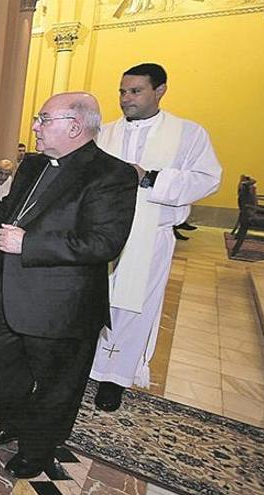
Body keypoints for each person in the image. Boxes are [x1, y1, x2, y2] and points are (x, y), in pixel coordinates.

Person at [0, 92, 137, 478]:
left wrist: (27, 243)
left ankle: (38, 448)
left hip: (63, 305)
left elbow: (104, 243)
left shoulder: (111, 174)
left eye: (42, 119)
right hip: (12, 294)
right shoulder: (32, 165)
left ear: (74, 125)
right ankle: (13, 423)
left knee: (56, 385)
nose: (34, 126)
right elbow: (8, 212)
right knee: (7, 374)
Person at [90, 63, 222, 411]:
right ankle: (86, 368)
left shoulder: (188, 134)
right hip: (102, 233)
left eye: (135, 91)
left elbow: (208, 178)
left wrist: (150, 178)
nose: (126, 99)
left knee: (135, 307)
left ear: (160, 90)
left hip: (150, 237)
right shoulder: (105, 133)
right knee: (95, 299)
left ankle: (114, 378)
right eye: (122, 91)